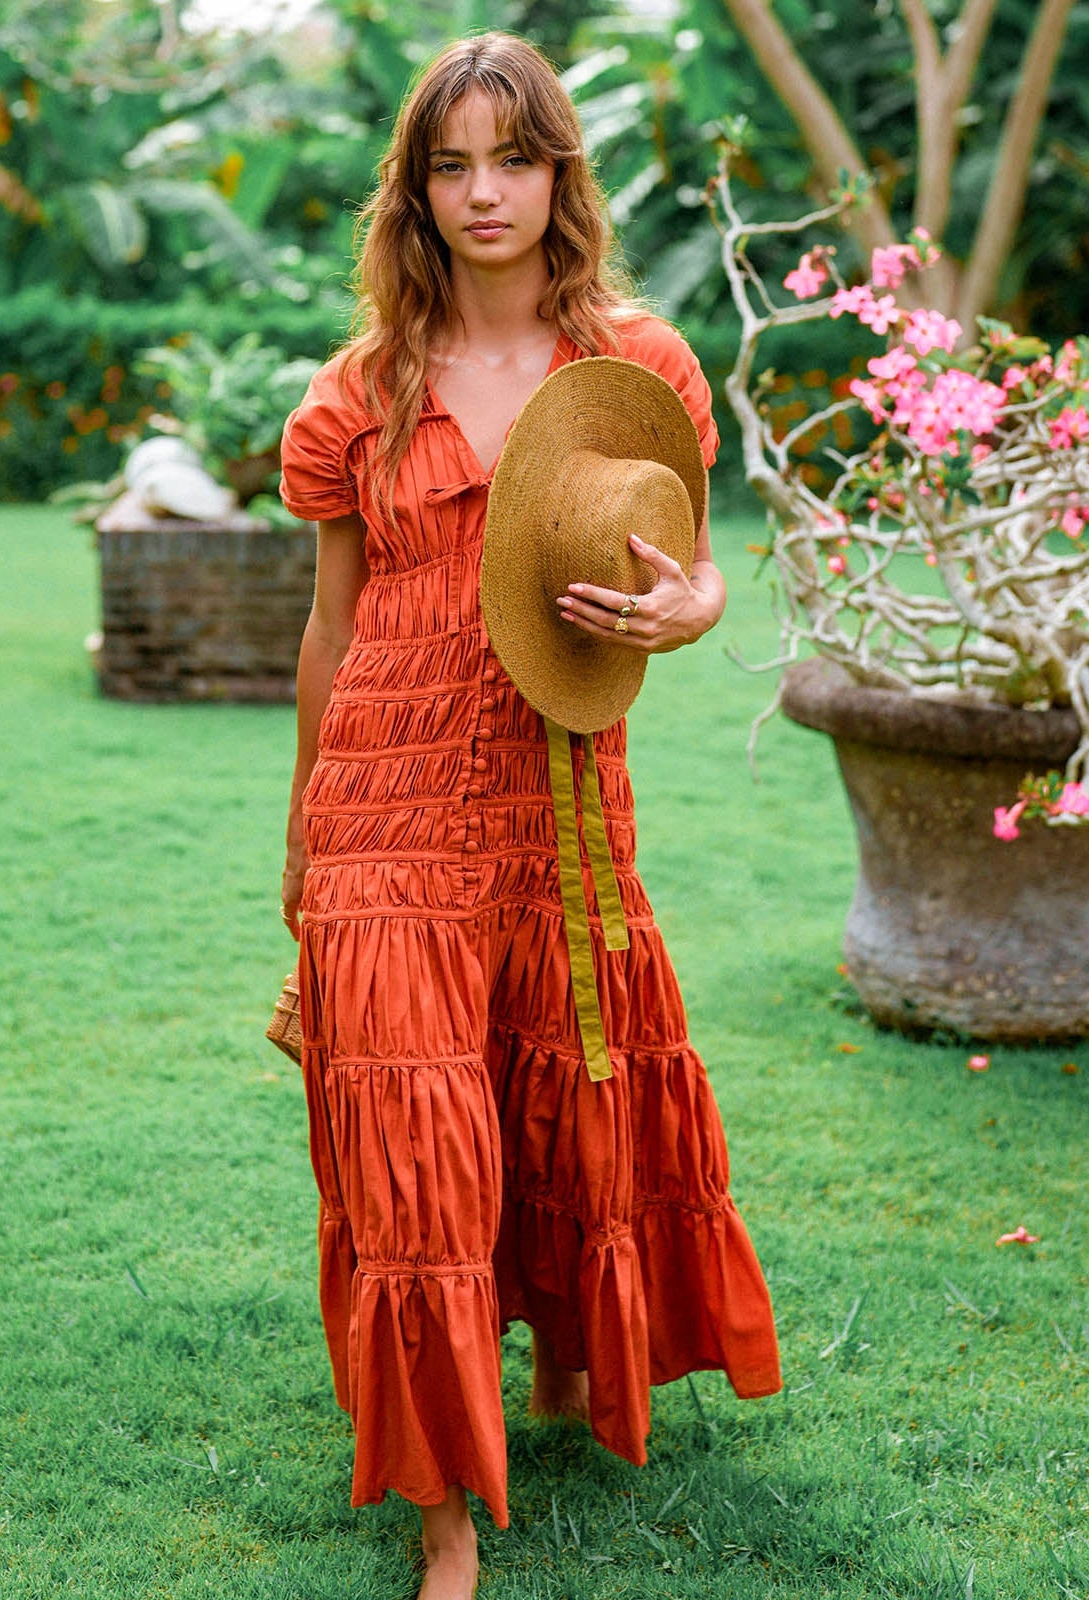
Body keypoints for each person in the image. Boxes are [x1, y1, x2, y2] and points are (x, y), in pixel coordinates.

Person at [278, 32, 782, 1600]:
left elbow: (689, 569)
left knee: (570, 1073)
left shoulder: (631, 366)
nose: (483, 190)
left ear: (562, 171)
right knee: (413, 1138)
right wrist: (305, 845)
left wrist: (692, 611)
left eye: (513, 156)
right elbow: (330, 624)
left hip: (556, 781)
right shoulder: (361, 391)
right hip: (383, 793)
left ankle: (566, 1363)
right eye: (451, 163)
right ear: (414, 190)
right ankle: (441, 1518)